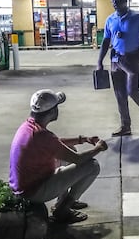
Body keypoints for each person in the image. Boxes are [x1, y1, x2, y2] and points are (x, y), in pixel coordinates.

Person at [9, 89, 108, 224]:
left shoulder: (29, 126)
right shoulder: (41, 135)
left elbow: (56, 144)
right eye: (57, 107)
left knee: (69, 150)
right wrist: (98, 148)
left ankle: (62, 201)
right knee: (92, 165)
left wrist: (83, 139)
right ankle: (63, 209)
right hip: (34, 192)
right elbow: (77, 159)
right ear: (52, 112)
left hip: (26, 186)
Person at [97, 0, 139, 136]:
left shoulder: (136, 18)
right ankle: (125, 125)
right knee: (119, 93)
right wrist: (99, 61)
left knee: (132, 90)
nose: (115, 3)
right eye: (113, 1)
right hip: (115, 59)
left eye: (118, 1)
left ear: (126, 2)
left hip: (132, 59)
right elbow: (106, 41)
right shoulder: (110, 20)